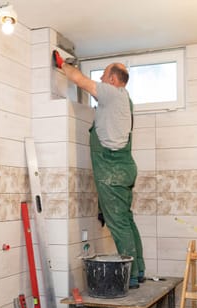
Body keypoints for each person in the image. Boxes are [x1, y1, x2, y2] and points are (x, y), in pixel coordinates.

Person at [52, 50, 145, 289]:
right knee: (126, 220)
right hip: (123, 169)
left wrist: (63, 64)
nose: (101, 81)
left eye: (104, 76)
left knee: (119, 224)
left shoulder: (111, 93)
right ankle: (139, 269)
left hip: (112, 170)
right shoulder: (125, 99)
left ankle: (131, 275)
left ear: (113, 80)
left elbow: (80, 81)